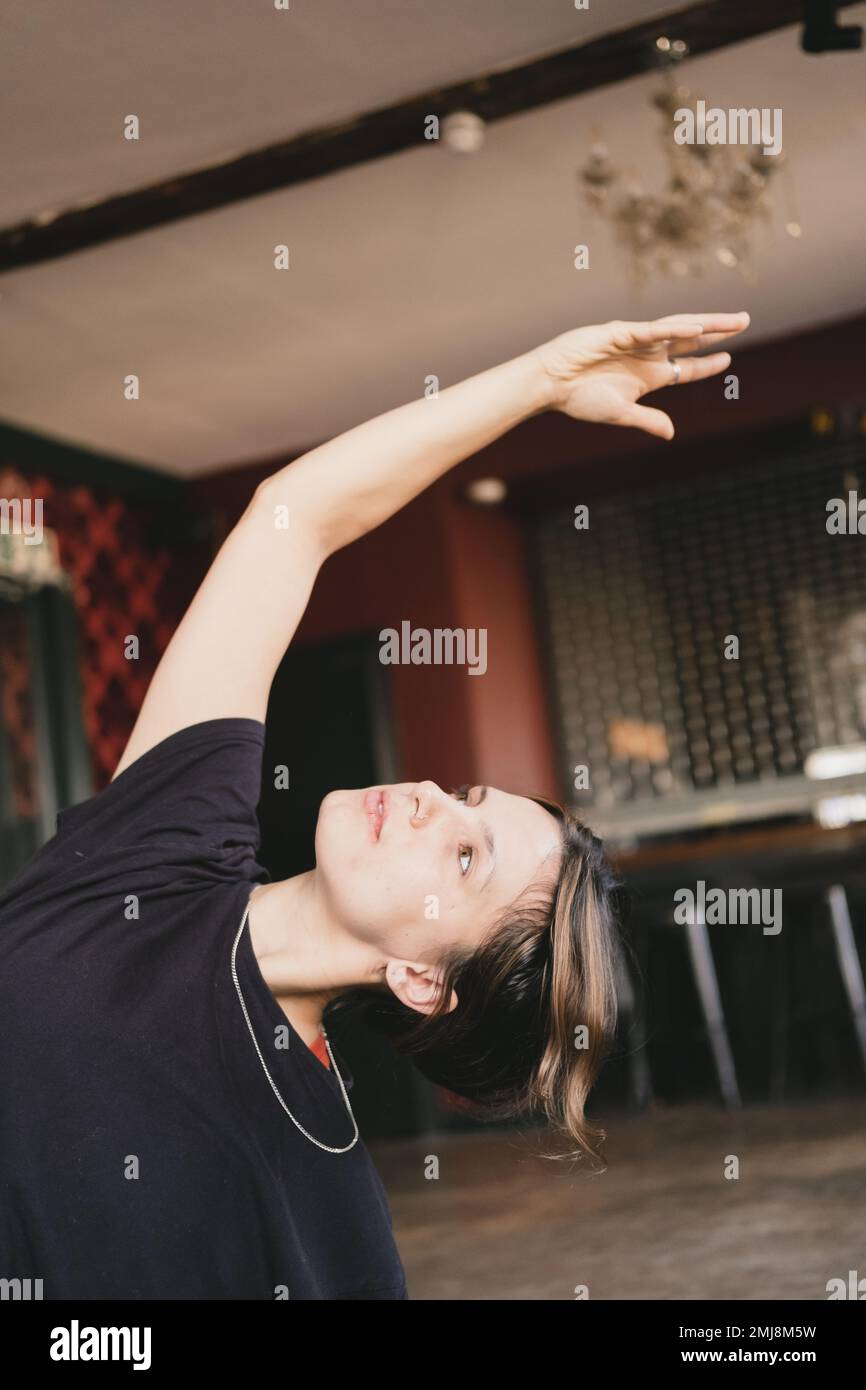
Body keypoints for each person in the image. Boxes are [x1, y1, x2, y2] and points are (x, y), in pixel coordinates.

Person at [0, 311, 750, 1300]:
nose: (433, 802)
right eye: (466, 797)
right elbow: (292, 517)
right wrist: (538, 376)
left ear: (423, 982)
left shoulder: (312, 1186)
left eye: (466, 860)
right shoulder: (165, 846)